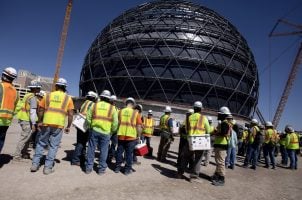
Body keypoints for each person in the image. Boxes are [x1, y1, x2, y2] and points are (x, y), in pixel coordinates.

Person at [31, 78, 74, 175]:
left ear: (56, 86)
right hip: (58, 125)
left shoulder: (48, 95)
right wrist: (68, 126)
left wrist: (40, 121)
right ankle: (47, 168)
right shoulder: (68, 98)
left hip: (46, 123)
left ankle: (34, 164)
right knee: (53, 146)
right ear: (65, 87)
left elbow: (40, 110)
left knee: (41, 143)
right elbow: (71, 114)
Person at [85, 90, 118, 175]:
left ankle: (88, 168)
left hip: (94, 130)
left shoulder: (94, 105)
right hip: (106, 132)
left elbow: (88, 118)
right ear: (109, 98)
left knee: (91, 149)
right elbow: (115, 123)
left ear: (101, 97)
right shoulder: (112, 108)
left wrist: (90, 126)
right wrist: (112, 131)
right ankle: (101, 169)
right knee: (104, 150)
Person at [177, 101, 210, 180]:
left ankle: (180, 173)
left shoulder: (189, 117)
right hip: (200, 141)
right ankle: (194, 175)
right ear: (201, 109)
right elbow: (208, 130)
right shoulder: (204, 118)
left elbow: (186, 129)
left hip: (190, 140)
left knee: (185, 157)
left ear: (194, 108)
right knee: (198, 158)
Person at [12, 80, 41, 161]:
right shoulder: (33, 98)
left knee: (27, 138)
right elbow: (32, 111)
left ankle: (24, 153)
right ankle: (17, 156)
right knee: (24, 138)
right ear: (35, 88)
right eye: (38, 88)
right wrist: (34, 123)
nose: (39, 89)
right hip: (27, 120)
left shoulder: (27, 95)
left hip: (23, 118)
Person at [114, 97, 142, 175]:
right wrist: (139, 136)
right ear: (133, 104)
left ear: (126, 103)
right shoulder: (136, 113)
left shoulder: (120, 112)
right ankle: (127, 170)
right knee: (129, 154)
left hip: (121, 135)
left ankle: (117, 167)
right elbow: (139, 127)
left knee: (119, 152)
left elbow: (117, 123)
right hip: (131, 137)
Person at [71, 91, 98, 166]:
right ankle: (75, 160)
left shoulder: (84, 103)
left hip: (80, 124)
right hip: (85, 124)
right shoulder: (92, 104)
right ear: (94, 98)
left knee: (80, 142)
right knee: (81, 143)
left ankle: (81, 158)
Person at [211, 106, 232, 186]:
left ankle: (221, 179)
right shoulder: (223, 123)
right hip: (220, 144)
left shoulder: (224, 123)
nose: (218, 115)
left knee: (220, 162)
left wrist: (216, 133)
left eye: (219, 114)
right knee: (218, 161)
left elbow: (224, 133)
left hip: (221, 145)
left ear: (223, 115)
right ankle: (216, 175)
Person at [0, 67, 19, 154]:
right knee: (0, 140)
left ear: (3, 75)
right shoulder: (15, 92)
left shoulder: (1, 86)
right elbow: (15, 107)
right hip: (6, 121)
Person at [107, 95, 119, 163]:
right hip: (108, 129)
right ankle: (108, 155)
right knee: (107, 144)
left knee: (114, 144)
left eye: (115, 101)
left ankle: (111, 155)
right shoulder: (108, 108)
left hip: (115, 130)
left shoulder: (117, 109)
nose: (114, 102)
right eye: (113, 101)